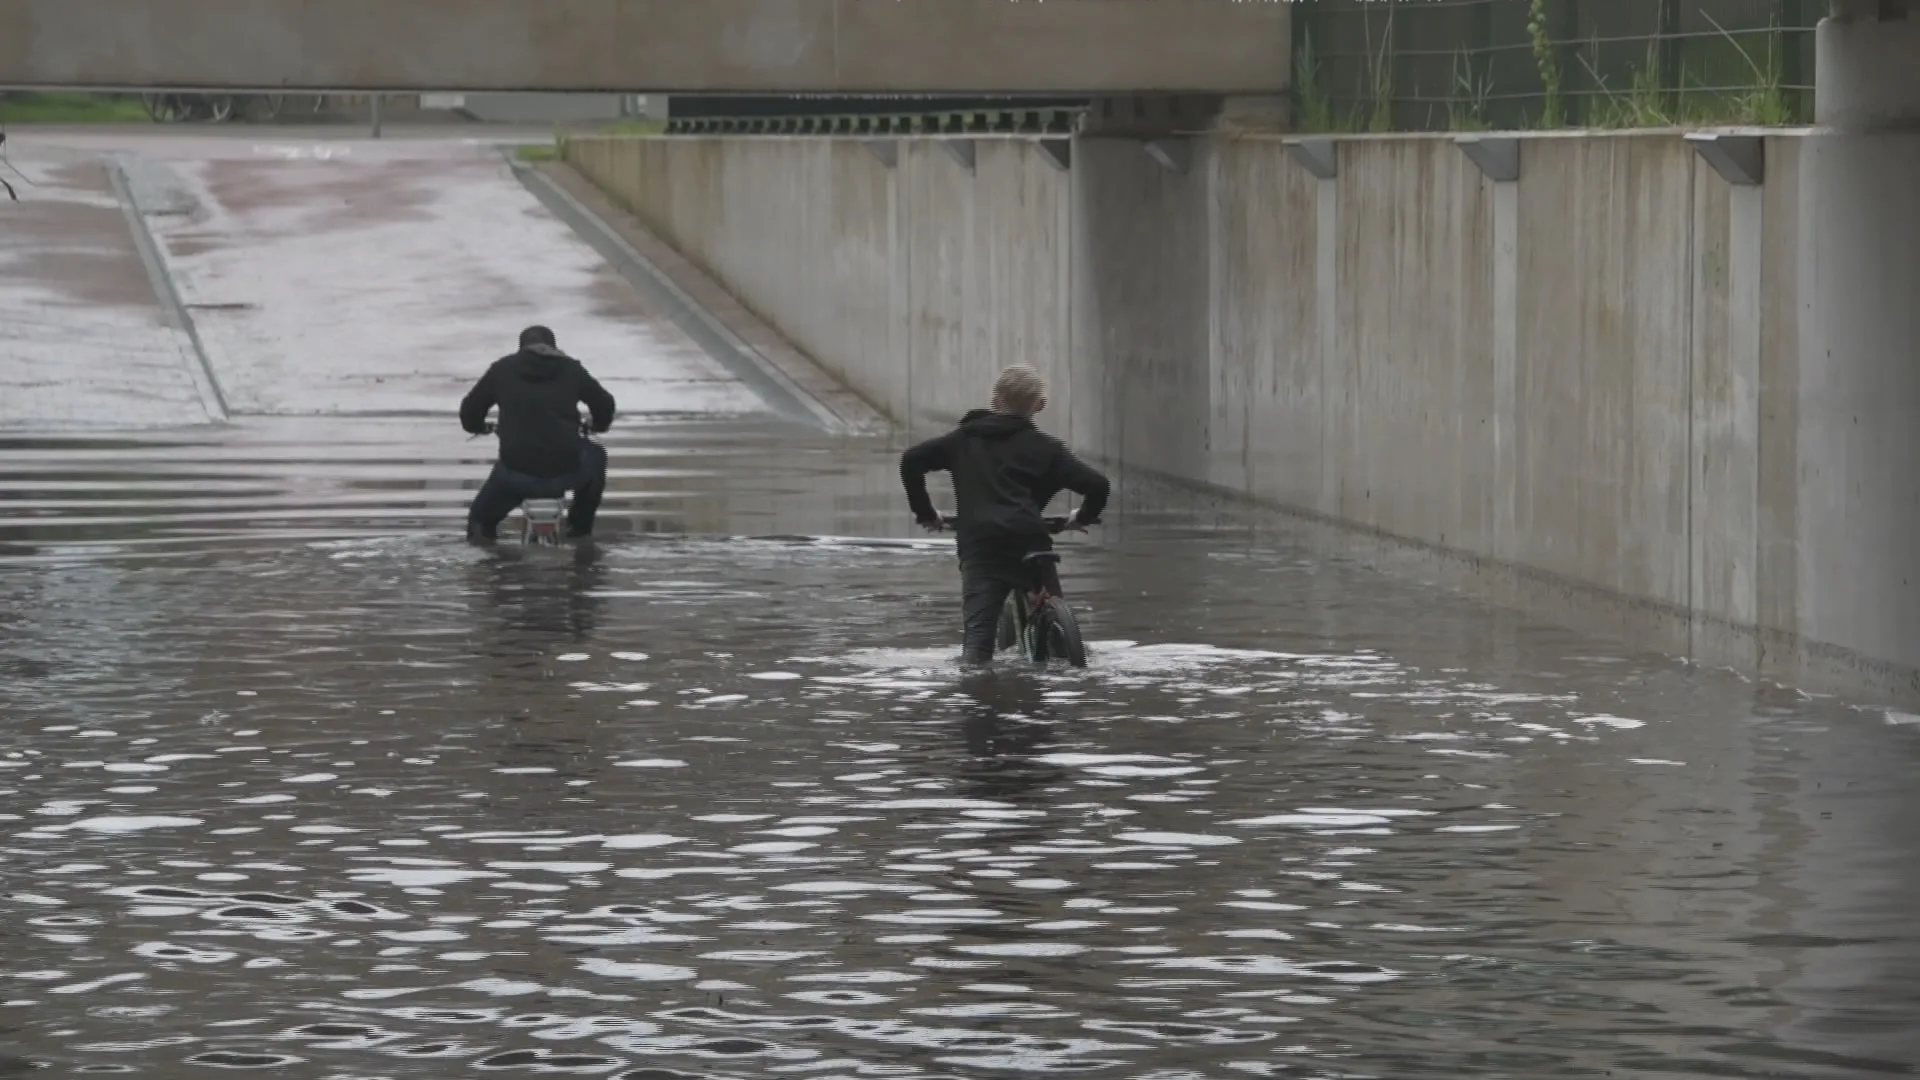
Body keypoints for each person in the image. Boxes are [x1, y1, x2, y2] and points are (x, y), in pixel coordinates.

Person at [899, 365, 1110, 666]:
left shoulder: (963, 440)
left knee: (977, 648)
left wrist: (926, 513)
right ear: (1040, 406)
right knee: (1059, 640)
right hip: (1030, 542)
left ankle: (979, 693)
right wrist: (1083, 517)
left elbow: (911, 461)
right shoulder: (1048, 450)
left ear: (994, 401)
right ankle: (1061, 649)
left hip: (983, 547)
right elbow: (1098, 485)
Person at [459, 325, 616, 542]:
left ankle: (490, 566)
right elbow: (604, 404)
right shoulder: (571, 369)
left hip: (515, 475)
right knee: (597, 456)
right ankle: (580, 527)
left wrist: (478, 427)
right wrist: (598, 425)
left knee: (480, 522)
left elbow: (470, 410)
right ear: (553, 347)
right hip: (567, 471)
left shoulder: (502, 370)